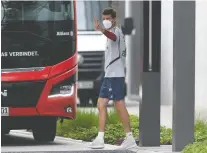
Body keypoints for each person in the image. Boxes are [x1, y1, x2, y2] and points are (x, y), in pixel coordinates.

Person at [88, 8, 137, 149]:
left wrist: (102, 30)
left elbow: (112, 37)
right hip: (109, 75)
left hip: (115, 76)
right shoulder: (113, 32)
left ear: (114, 19)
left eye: (108, 18)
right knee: (101, 104)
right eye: (104, 18)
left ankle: (129, 138)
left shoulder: (116, 32)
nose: (106, 21)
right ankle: (100, 138)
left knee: (119, 104)